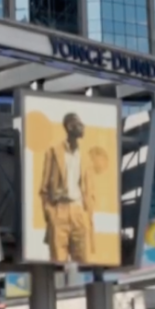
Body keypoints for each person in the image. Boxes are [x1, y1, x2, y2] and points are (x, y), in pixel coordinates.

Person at [39, 112, 98, 264]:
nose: (83, 127)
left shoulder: (86, 155)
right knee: (58, 263)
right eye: (79, 124)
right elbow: (44, 189)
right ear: (70, 127)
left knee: (84, 263)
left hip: (79, 211)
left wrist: (88, 212)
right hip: (59, 210)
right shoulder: (53, 152)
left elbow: (90, 189)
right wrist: (51, 214)